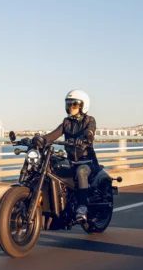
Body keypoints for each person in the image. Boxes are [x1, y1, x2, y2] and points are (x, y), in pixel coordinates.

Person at [39, 89, 100, 223]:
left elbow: (90, 131)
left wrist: (86, 137)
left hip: (87, 161)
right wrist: (40, 140)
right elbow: (54, 134)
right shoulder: (66, 122)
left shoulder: (89, 120)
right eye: (68, 104)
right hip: (71, 161)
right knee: (53, 169)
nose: (71, 107)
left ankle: (82, 207)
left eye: (74, 104)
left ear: (83, 106)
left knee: (81, 172)